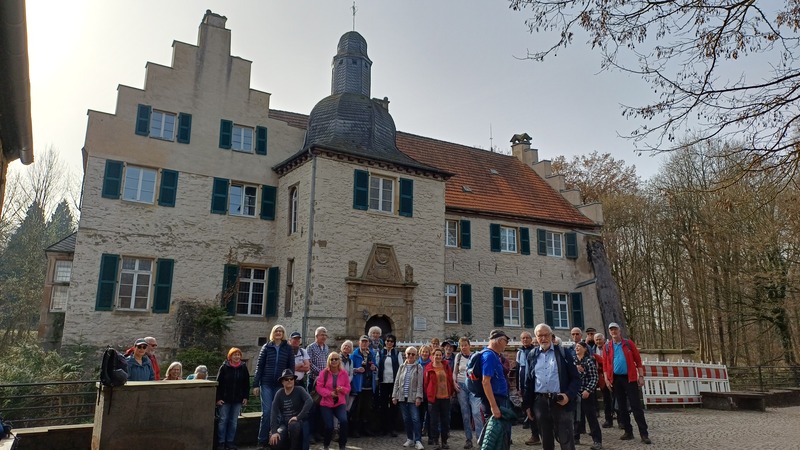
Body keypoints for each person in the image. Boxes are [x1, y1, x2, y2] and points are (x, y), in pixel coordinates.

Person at [524, 323, 581, 450]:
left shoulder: (563, 353)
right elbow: (528, 382)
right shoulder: (532, 355)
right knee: (546, 442)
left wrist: (568, 396)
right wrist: (527, 405)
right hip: (540, 403)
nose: (543, 338)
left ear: (551, 336)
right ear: (536, 337)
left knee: (566, 441)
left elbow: (576, 379)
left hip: (560, 401)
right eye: (540, 336)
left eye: (546, 335)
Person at [602, 322, 651, 444]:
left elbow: (638, 361)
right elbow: (605, 365)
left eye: (615, 329)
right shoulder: (607, 347)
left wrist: (641, 376)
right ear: (609, 332)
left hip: (630, 378)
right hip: (616, 379)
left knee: (636, 406)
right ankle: (628, 431)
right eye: (611, 330)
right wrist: (607, 379)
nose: (613, 332)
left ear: (620, 331)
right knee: (621, 406)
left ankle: (644, 433)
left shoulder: (628, 344)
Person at [253, 324, 295, 450]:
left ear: (283, 334)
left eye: (281, 331)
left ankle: (275, 441)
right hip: (266, 383)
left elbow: (291, 367)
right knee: (267, 412)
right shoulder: (266, 347)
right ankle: (262, 440)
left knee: (278, 414)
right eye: (276, 331)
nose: (278, 333)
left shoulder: (288, 348)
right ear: (273, 333)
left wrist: (289, 383)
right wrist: (255, 384)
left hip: (280, 385)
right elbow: (259, 366)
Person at [479, 330, 513, 450]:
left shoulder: (494, 355)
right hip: (495, 400)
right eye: (506, 341)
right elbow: (485, 381)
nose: (506, 344)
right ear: (499, 340)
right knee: (497, 438)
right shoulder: (489, 356)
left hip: (499, 399)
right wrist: (494, 407)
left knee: (501, 436)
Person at [269, 368, 313, 450]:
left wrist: (298, 417)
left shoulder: (300, 390)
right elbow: (274, 412)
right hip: (284, 424)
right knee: (275, 441)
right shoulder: (279, 393)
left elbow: (309, 401)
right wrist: (274, 431)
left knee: (293, 425)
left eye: (291, 379)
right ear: (282, 382)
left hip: (299, 422)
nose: (289, 381)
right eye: (286, 379)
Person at [215, 347, 250, 450]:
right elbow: (218, 383)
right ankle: (221, 442)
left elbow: (246, 384)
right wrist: (218, 398)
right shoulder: (224, 367)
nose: (237, 357)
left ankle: (230, 442)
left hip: (237, 399)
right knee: (223, 420)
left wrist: (245, 397)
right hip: (225, 399)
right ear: (230, 356)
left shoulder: (243, 368)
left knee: (233, 421)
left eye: (238, 355)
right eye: (235, 355)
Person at [317, 352, 351, 450]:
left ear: (339, 361)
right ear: (329, 361)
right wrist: (329, 393)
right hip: (326, 403)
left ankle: (342, 445)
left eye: (336, 359)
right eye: (332, 359)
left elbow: (348, 388)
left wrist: (342, 389)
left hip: (339, 402)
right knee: (329, 426)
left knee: (344, 421)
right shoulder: (324, 373)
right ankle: (326, 445)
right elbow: (319, 387)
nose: (334, 361)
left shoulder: (344, 373)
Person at [392, 346, 425, 450]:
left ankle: (418, 440)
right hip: (402, 397)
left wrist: (419, 397)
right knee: (406, 419)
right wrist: (394, 395)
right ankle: (410, 438)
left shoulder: (419, 367)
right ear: (405, 355)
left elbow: (420, 384)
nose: (410, 356)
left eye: (413, 354)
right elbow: (397, 382)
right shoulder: (402, 367)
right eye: (408, 354)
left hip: (413, 397)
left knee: (415, 419)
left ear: (416, 356)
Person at [452, 336, 482, 449]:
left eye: (465, 345)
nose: (463, 347)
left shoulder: (475, 356)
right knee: (465, 414)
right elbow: (454, 372)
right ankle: (468, 439)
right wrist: (454, 382)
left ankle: (480, 439)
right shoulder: (458, 357)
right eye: (461, 346)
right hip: (461, 387)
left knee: (476, 413)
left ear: (469, 345)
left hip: (473, 386)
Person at [424, 347, 455, 450]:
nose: (438, 357)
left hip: (445, 397)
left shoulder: (446, 366)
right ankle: (435, 441)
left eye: (440, 355)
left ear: (442, 356)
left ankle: (444, 441)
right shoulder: (428, 367)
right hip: (434, 398)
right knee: (434, 421)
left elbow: (450, 379)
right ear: (432, 356)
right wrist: (429, 394)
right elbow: (426, 383)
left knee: (445, 421)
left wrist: (451, 392)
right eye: (436, 355)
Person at [575, 341, 603, 450]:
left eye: (579, 346)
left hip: (586, 393)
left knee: (591, 417)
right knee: (575, 416)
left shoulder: (589, 361)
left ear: (585, 349)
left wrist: (588, 390)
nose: (577, 348)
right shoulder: (573, 361)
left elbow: (594, 377)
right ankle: (575, 437)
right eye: (576, 347)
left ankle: (597, 441)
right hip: (575, 394)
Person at [516, 331, 540, 446]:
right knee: (528, 409)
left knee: (537, 409)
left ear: (531, 339)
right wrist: (518, 386)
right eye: (523, 338)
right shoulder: (519, 352)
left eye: (527, 338)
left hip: (534, 385)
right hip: (523, 386)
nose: (525, 340)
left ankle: (541, 433)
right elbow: (518, 370)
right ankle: (534, 435)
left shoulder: (535, 351)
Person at [306, 326, 330, 443]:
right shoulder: (310, 347)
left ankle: (318, 432)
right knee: (312, 408)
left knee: (322, 407)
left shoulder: (326, 348)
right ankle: (310, 434)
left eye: (325, 335)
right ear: (316, 336)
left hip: (324, 382)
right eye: (322, 334)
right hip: (313, 381)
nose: (324, 337)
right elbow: (309, 363)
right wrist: (321, 373)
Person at [351, 335, 377, 437]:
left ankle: (366, 429)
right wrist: (356, 370)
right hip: (359, 385)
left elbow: (376, 366)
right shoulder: (354, 355)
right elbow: (349, 369)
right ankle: (355, 430)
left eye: (366, 342)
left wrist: (374, 368)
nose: (364, 343)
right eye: (363, 341)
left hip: (369, 385)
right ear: (359, 343)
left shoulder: (371, 354)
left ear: (369, 343)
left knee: (367, 409)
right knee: (357, 409)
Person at [378, 334, 400, 437]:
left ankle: (393, 428)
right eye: (387, 341)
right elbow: (377, 366)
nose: (389, 343)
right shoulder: (380, 353)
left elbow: (400, 368)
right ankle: (383, 428)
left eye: (391, 341)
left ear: (394, 343)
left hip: (393, 383)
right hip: (383, 383)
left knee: (393, 405)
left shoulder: (397, 353)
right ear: (385, 342)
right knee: (383, 406)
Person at [593, 333, 614, 428]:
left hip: (610, 375)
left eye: (600, 339)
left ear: (604, 340)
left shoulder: (609, 348)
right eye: (596, 340)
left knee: (615, 398)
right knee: (606, 399)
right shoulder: (592, 350)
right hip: (599, 377)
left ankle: (621, 420)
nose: (598, 341)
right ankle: (608, 420)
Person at [417, 345, 433, 441]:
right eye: (423, 351)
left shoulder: (432, 364)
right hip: (419, 393)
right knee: (419, 415)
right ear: (420, 353)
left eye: (426, 352)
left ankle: (431, 437)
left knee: (430, 415)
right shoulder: (416, 364)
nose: (425, 353)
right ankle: (418, 437)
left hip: (429, 393)